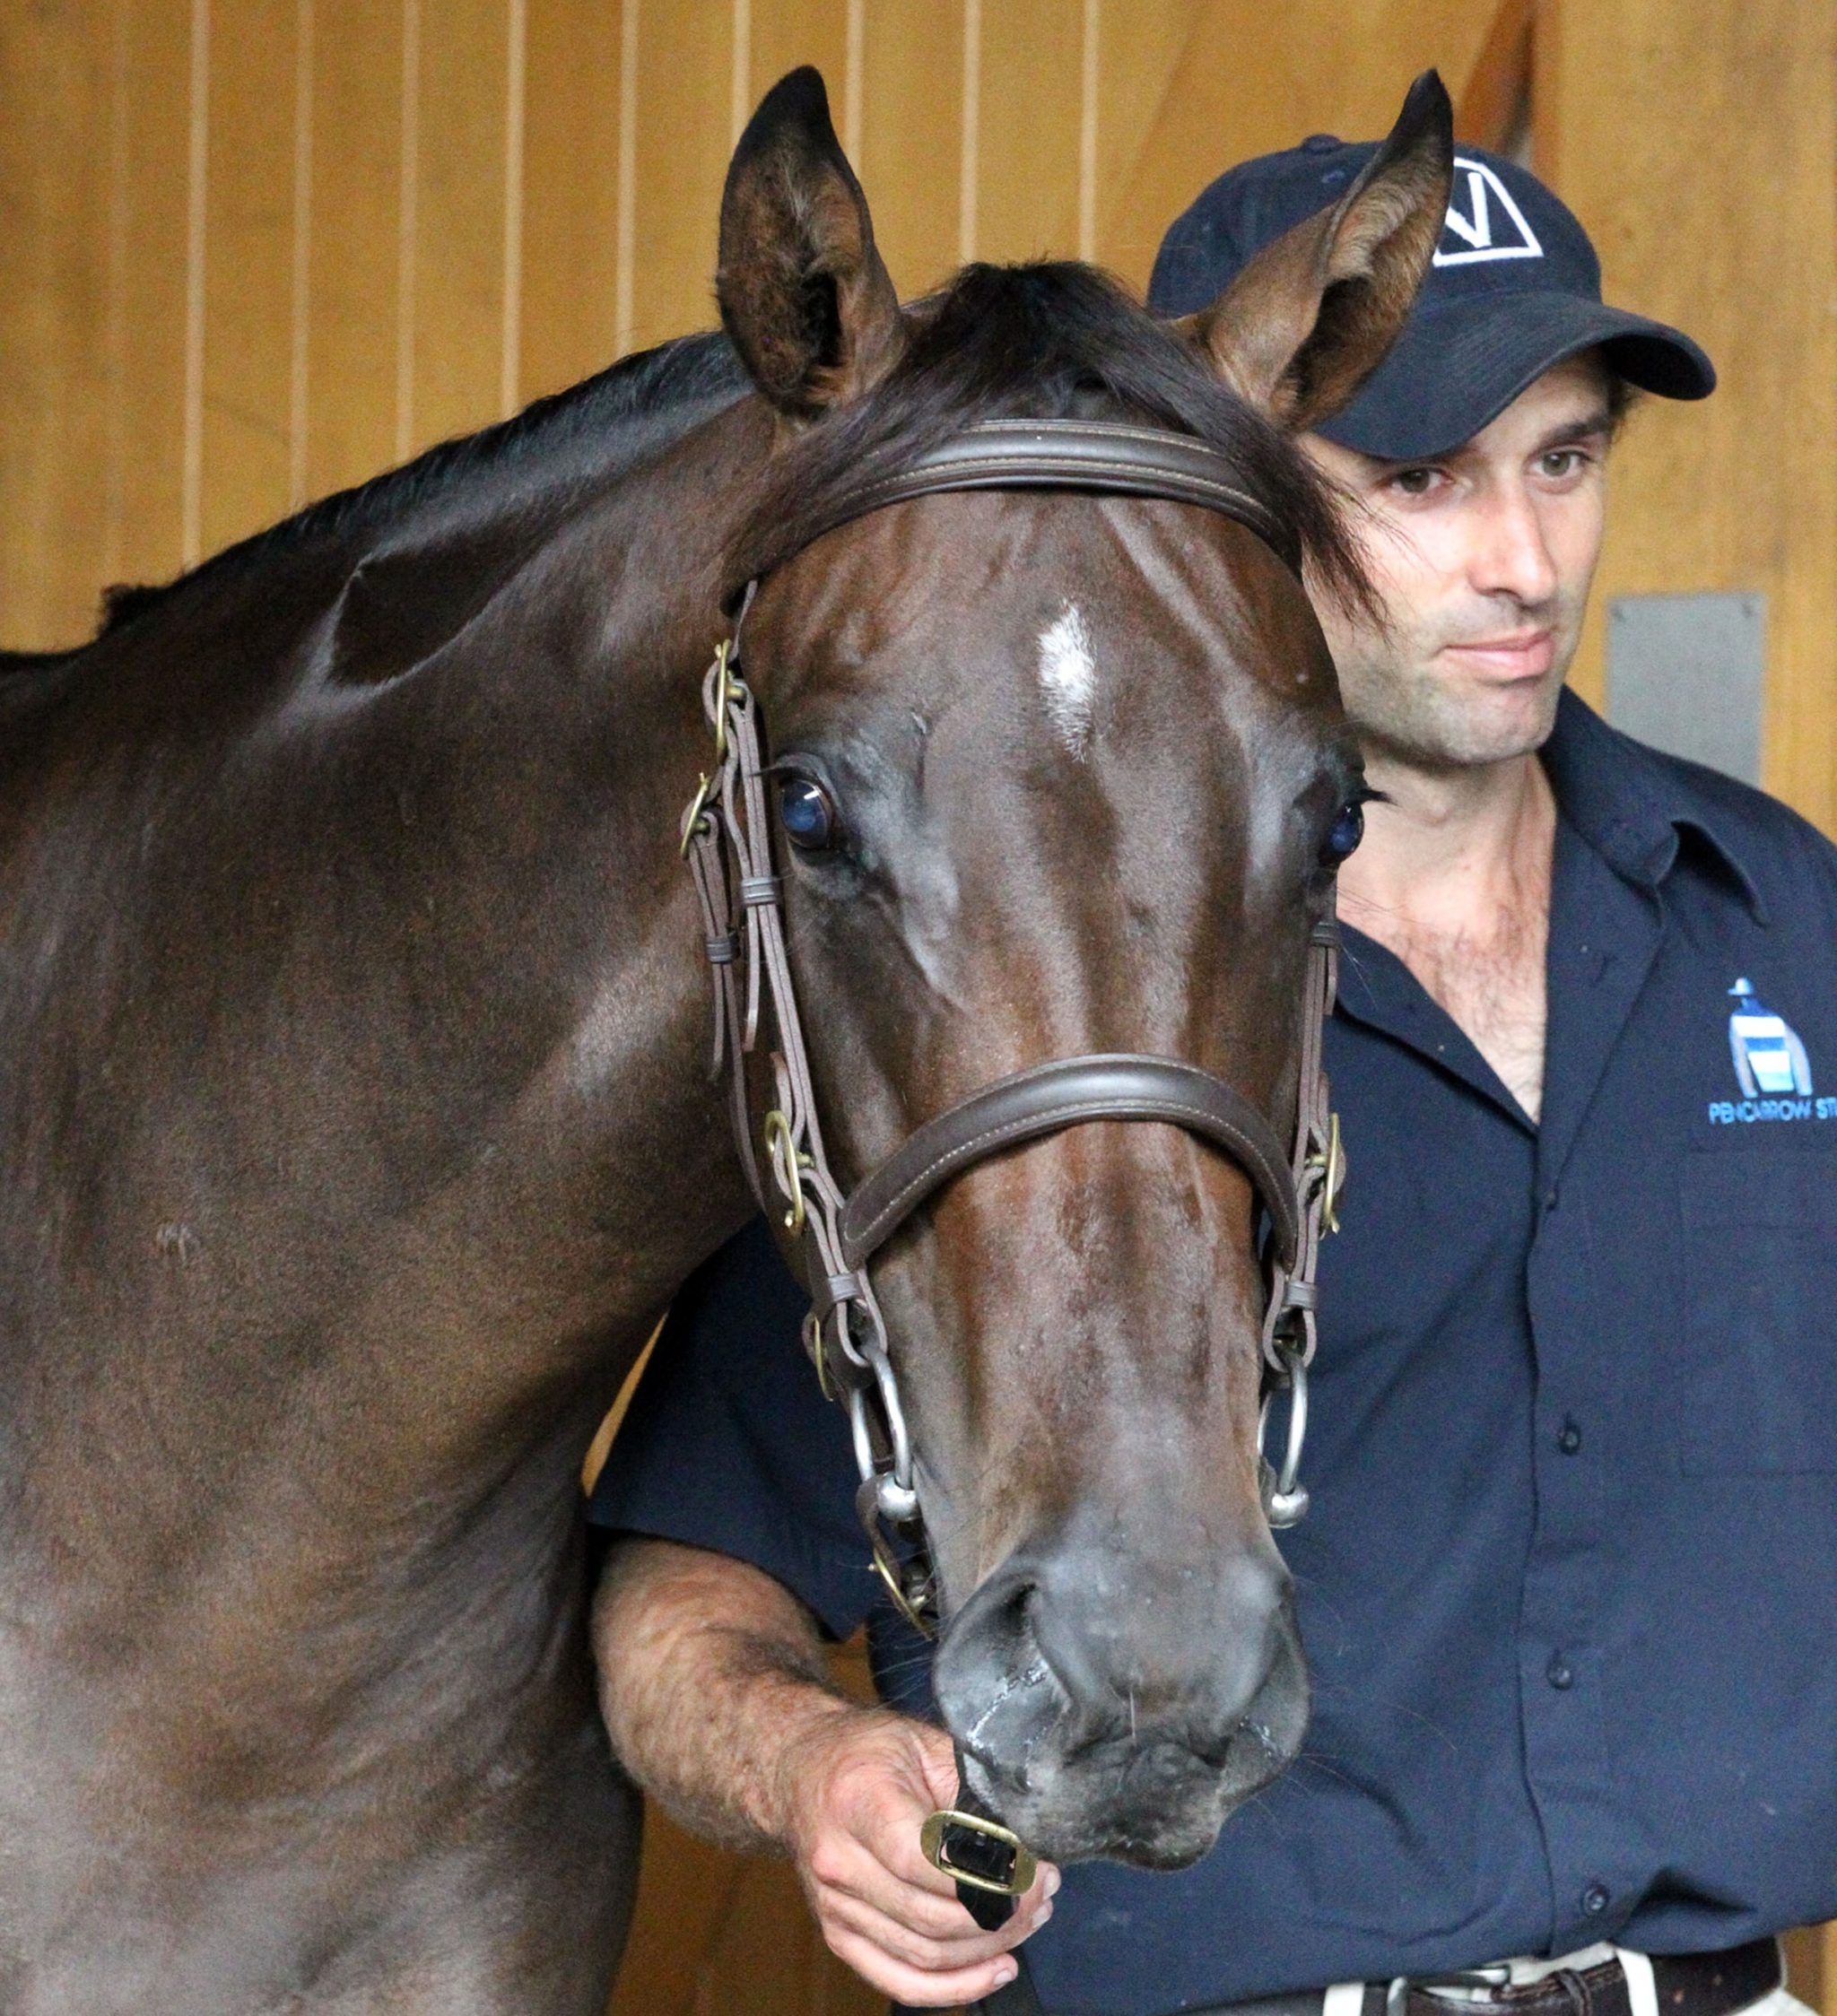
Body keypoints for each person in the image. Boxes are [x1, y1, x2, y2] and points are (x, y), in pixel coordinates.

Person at [588, 129, 1837, 2016]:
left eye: (1563, 460)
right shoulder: (1014, 1007)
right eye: (1420, 477)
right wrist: (809, 1766)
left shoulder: (1785, 922)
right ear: (1224, 495)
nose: (1520, 560)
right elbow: (682, 1585)